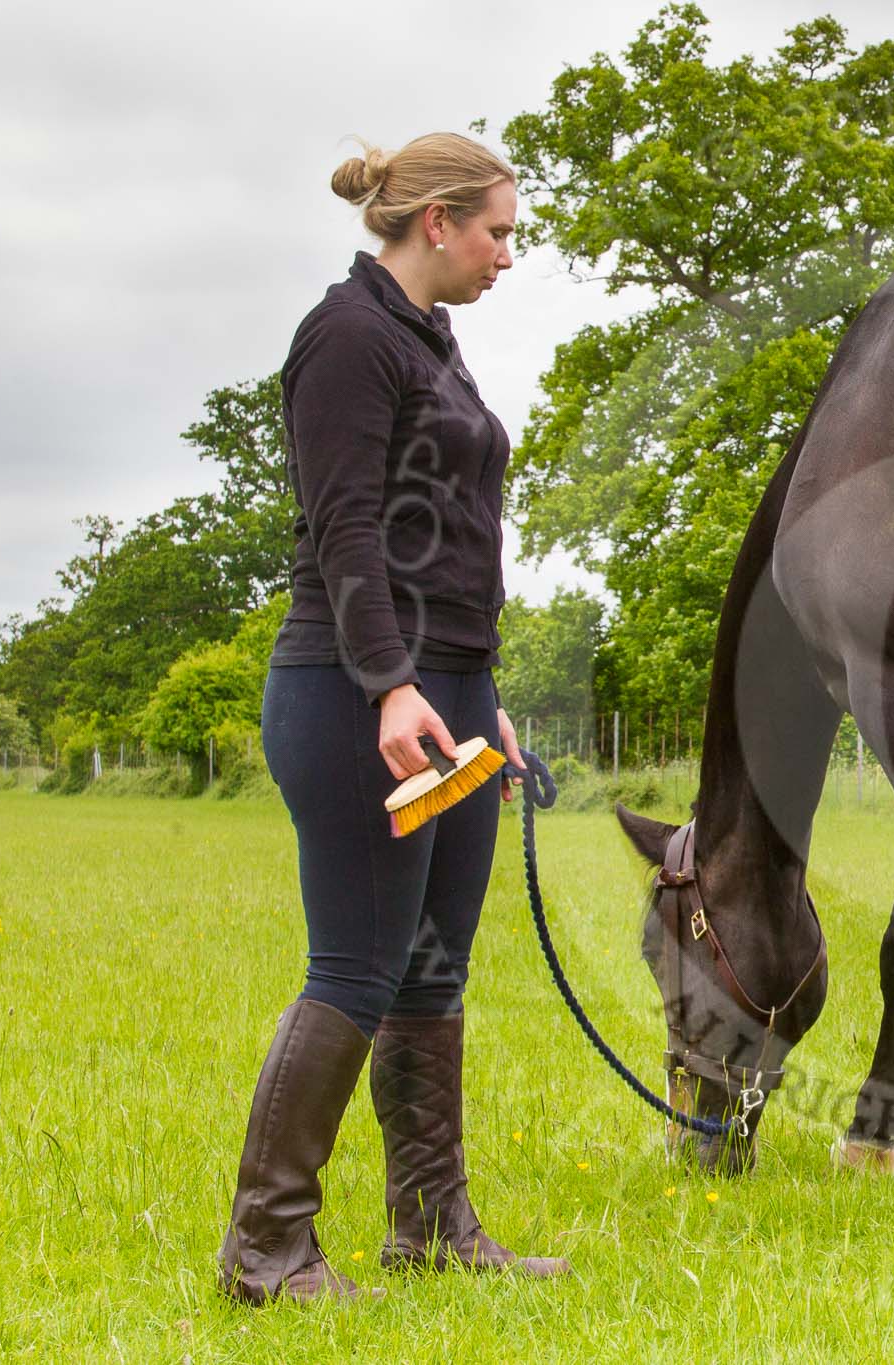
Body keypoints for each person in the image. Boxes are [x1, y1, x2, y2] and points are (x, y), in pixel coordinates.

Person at [217, 132, 569, 1305]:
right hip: (354, 690)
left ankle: (429, 1227)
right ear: (433, 223)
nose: (507, 254)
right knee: (357, 968)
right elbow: (346, 530)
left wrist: (483, 697)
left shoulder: (431, 341)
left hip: (449, 692)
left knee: (431, 972)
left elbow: (446, 543)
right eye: (497, 231)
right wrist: (393, 686)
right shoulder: (347, 336)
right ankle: (267, 1250)